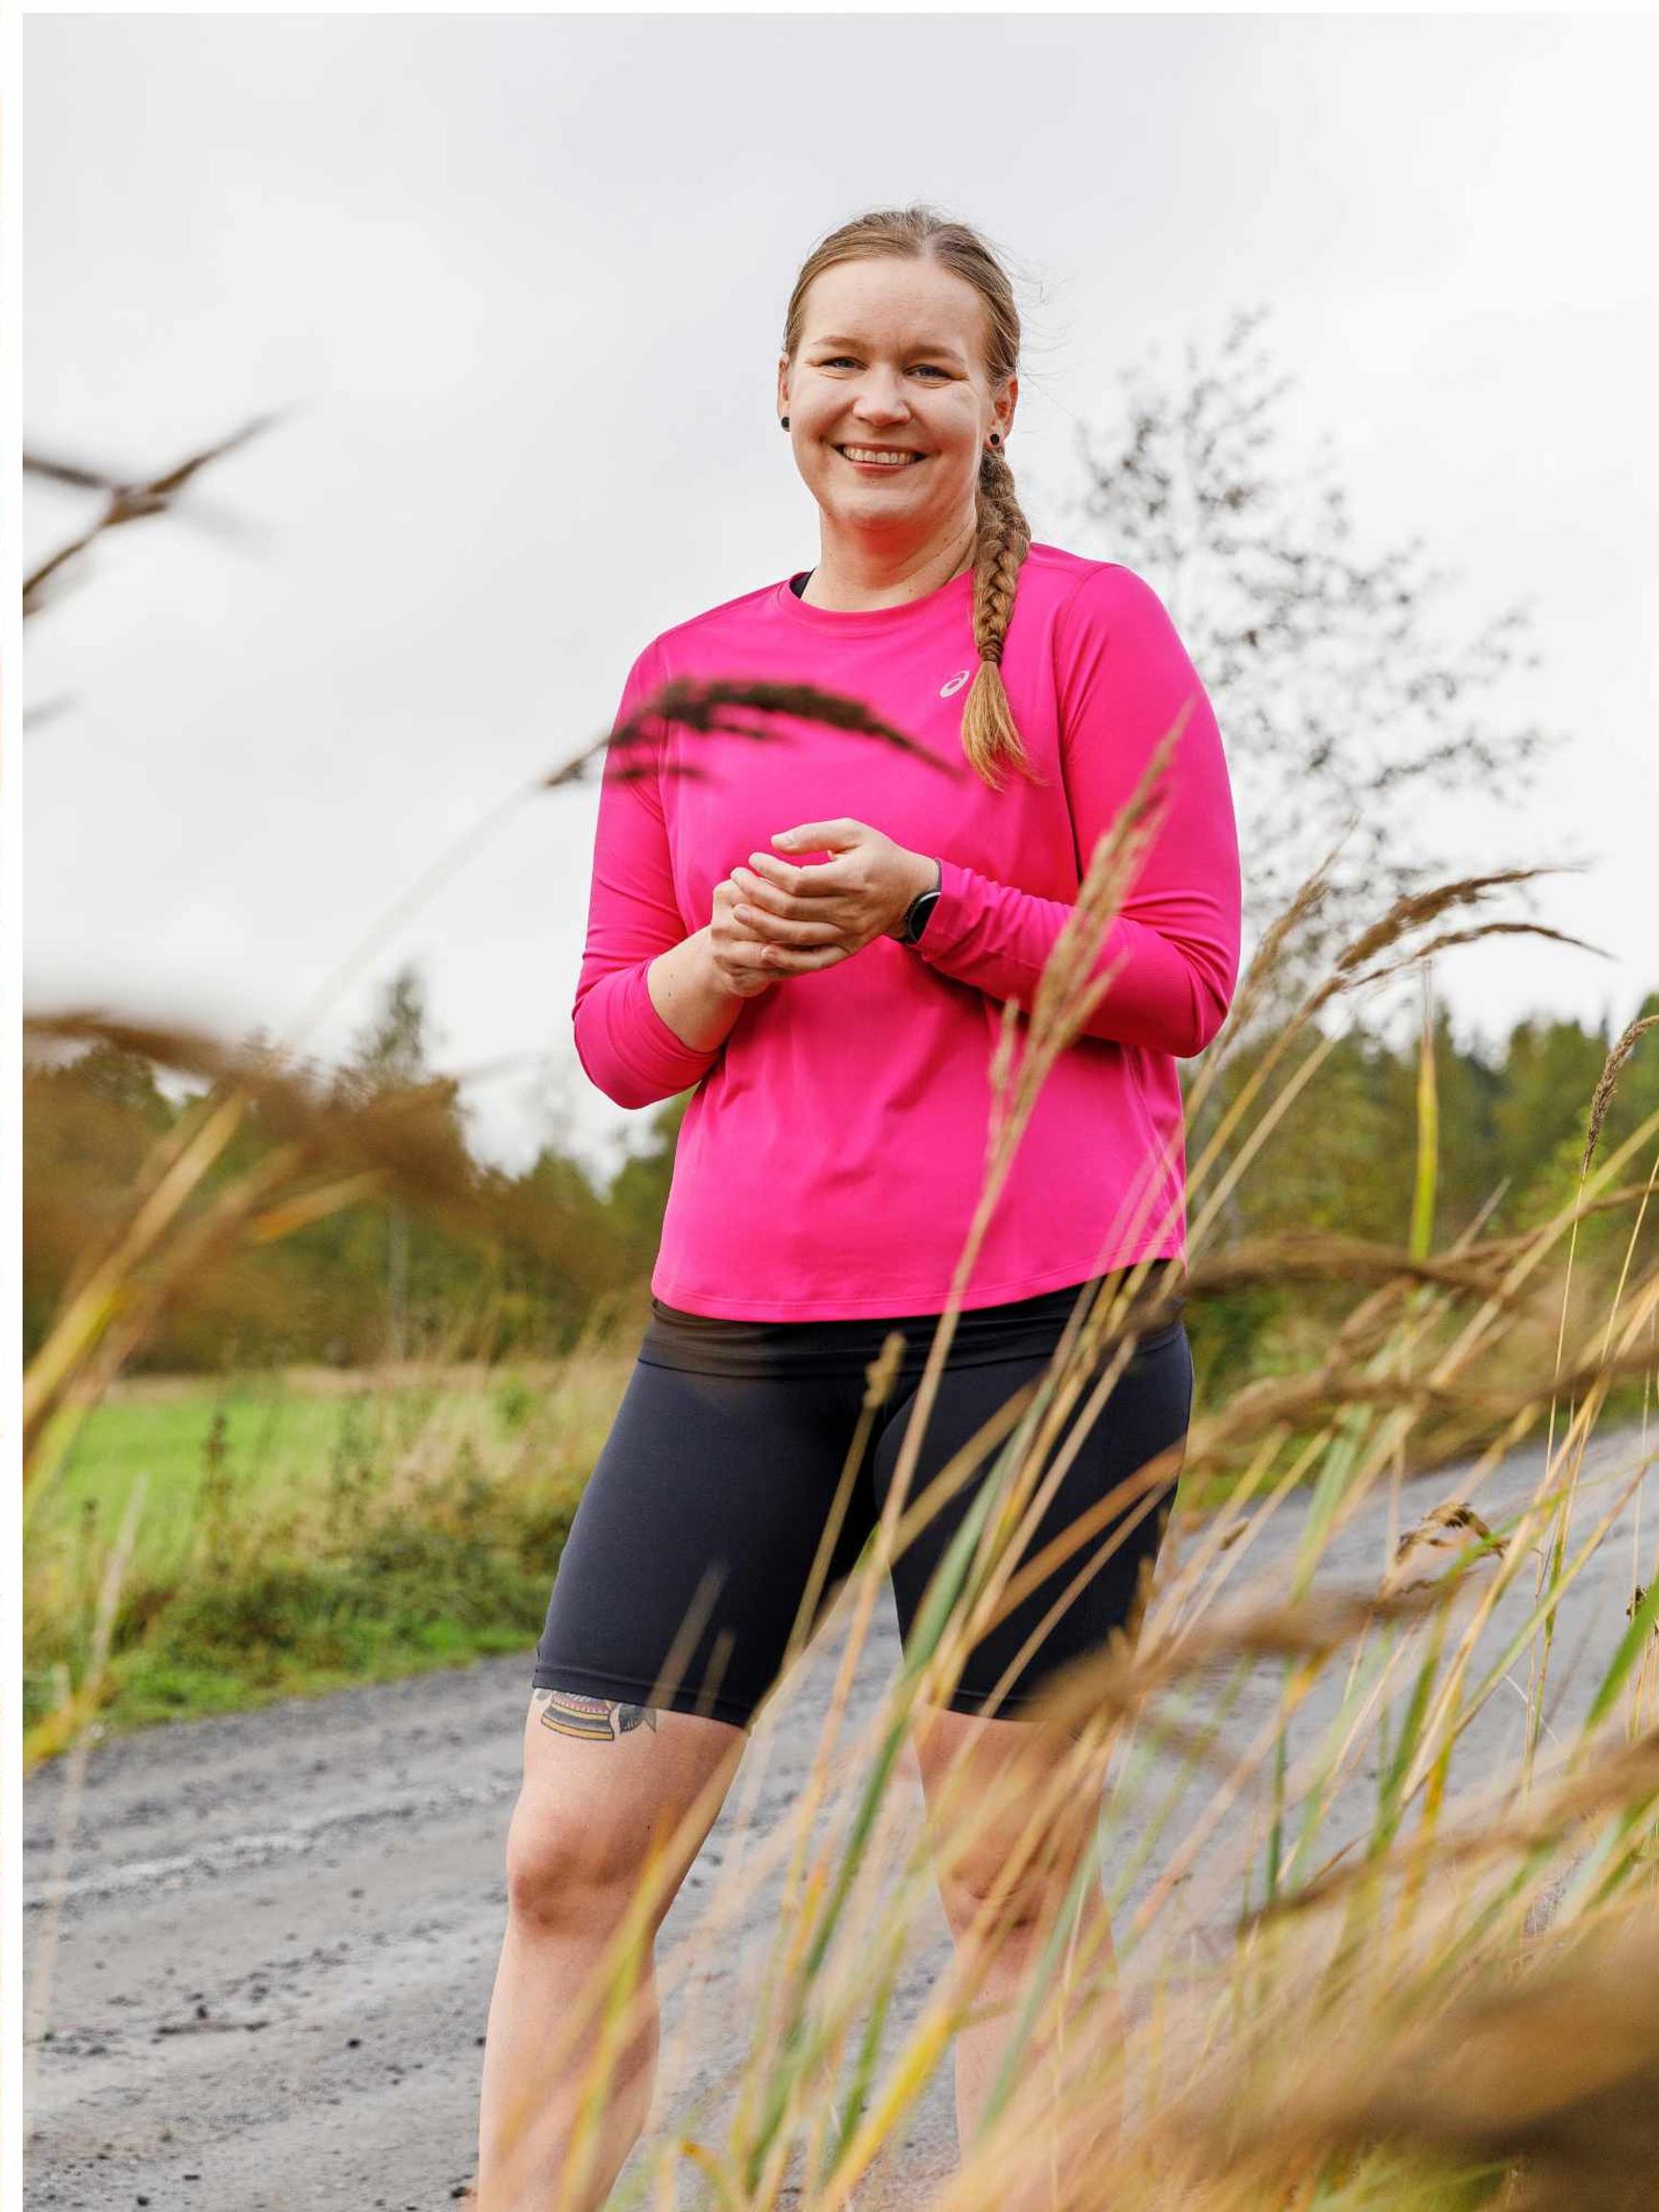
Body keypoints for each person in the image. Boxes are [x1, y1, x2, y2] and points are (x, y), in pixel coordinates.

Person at [475, 203, 1241, 2211]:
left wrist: (930, 901)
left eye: (926, 366)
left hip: (1038, 1335)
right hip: (732, 1347)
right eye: (843, 361)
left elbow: (1181, 978)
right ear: (785, 394)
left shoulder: (1083, 632)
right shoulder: (687, 675)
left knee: (998, 1880)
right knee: (567, 1861)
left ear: (996, 405)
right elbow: (621, 1044)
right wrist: (727, 954)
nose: (876, 401)